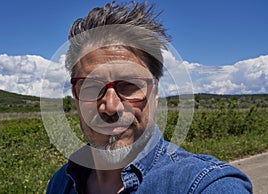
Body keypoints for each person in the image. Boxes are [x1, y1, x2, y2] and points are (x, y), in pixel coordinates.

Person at [47, 1, 252, 193]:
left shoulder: (202, 183)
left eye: (129, 85)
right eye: (92, 86)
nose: (110, 107)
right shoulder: (61, 182)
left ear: (155, 93)